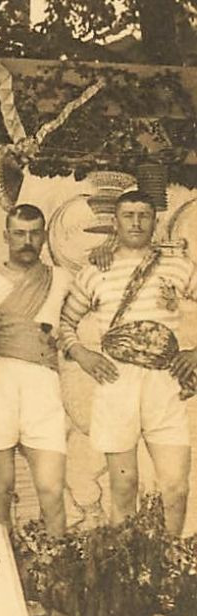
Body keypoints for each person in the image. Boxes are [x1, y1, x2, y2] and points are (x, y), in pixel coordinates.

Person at [58, 190, 197, 533]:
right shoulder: (95, 270)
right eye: (128, 215)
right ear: (115, 222)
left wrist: (194, 353)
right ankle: (127, 568)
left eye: (143, 215)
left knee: (176, 487)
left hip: (165, 383)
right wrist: (83, 353)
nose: (136, 222)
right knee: (123, 487)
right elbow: (64, 324)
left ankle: (168, 563)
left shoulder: (179, 265)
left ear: (155, 221)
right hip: (116, 382)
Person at [0, 203, 71, 537]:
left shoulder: (61, 278)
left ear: (44, 237)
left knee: (51, 489)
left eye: (34, 234)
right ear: (6, 236)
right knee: (0, 490)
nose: (27, 241)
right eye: (19, 233)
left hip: (44, 384)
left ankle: (58, 572)